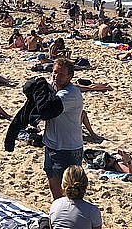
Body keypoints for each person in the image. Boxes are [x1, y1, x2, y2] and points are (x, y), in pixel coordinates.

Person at [44, 58, 84, 200]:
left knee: (71, 193)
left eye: (61, 74)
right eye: (54, 72)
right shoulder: (53, 87)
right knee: (55, 189)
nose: (56, 76)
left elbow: (46, 109)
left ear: (70, 76)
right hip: (51, 145)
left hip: (68, 149)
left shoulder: (70, 94)